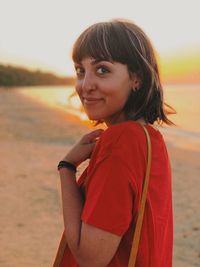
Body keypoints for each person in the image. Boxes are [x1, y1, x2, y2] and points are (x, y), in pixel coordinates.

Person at [55, 19, 174, 267]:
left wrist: (66, 167)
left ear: (136, 78)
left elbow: (90, 258)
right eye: (80, 70)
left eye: (102, 70)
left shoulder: (121, 141)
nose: (85, 85)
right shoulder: (150, 139)